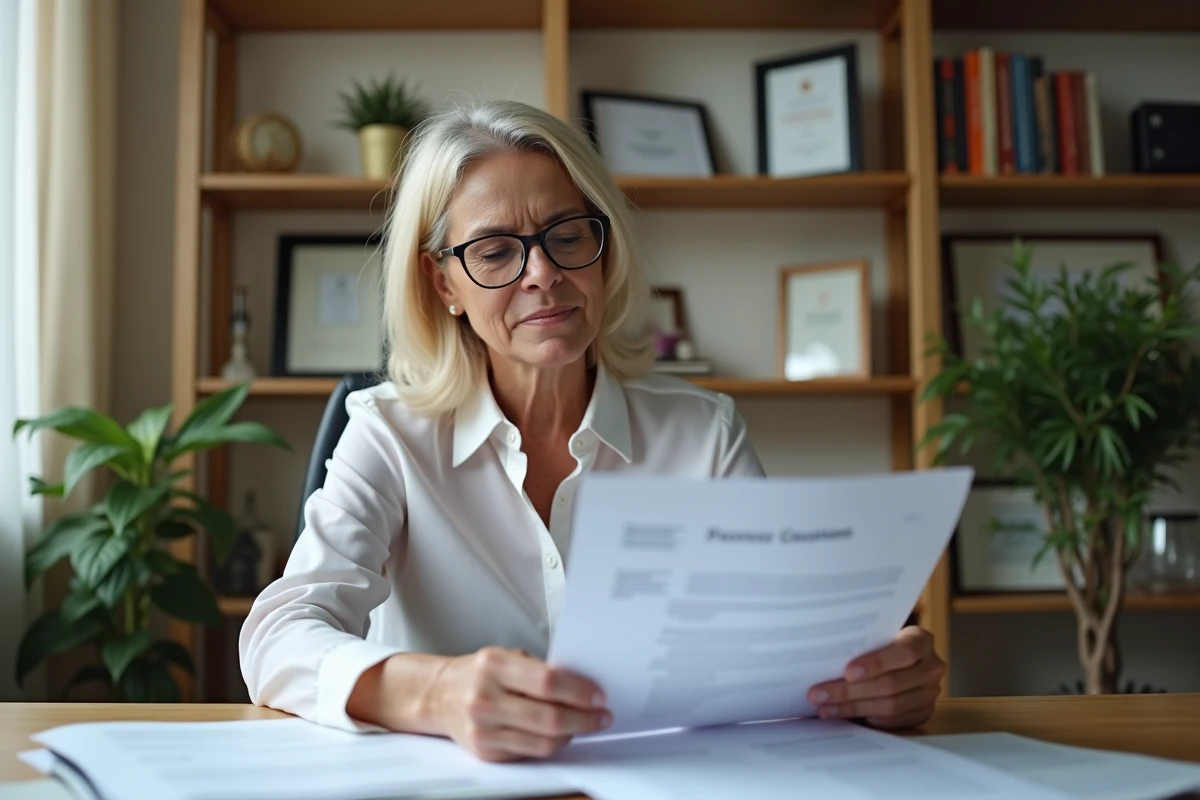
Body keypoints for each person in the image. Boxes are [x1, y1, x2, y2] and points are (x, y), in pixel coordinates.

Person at [239, 99, 945, 762]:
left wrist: (872, 683)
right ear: (443, 285)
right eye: (493, 252)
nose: (542, 274)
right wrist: (436, 691)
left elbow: (775, 652)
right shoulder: (389, 434)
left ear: (604, 249)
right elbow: (278, 637)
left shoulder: (703, 432)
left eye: (567, 235)